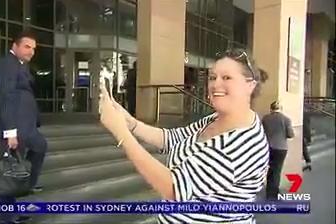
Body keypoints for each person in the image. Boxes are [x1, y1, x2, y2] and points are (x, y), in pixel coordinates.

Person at [99, 48, 269, 223]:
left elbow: (174, 188)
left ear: (250, 85)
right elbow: (172, 138)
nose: (215, 84)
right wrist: (130, 122)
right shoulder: (216, 118)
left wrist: (121, 133)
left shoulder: (240, 145)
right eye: (212, 77)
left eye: (227, 77)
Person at [0, 30, 47, 224]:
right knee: (9, 172)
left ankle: (19, 197)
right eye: (27, 46)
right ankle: (5, 218)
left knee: (38, 149)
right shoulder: (6, 65)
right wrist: (10, 132)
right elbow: (5, 99)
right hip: (14, 128)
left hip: (26, 128)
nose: (31, 51)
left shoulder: (20, 66)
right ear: (14, 45)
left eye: (33, 48)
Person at [262, 101, 294, 199]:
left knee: (271, 169)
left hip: (268, 147)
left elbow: (261, 132)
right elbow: (290, 135)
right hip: (281, 148)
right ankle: (274, 193)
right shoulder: (286, 119)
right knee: (277, 170)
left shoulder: (265, 118)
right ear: (281, 109)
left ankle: (269, 190)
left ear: (271, 109)